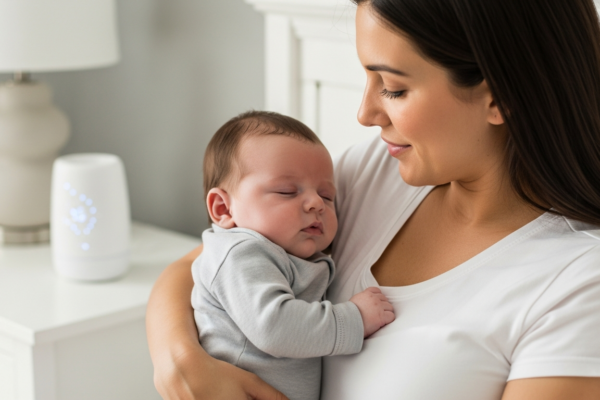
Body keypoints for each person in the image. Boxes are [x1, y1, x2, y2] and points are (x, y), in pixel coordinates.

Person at [146, 0, 600, 398]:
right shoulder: (374, 172)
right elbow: (201, 264)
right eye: (367, 78)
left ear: (497, 96)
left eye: (394, 88)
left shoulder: (579, 285)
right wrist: (179, 359)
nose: (364, 113)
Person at [192, 111, 394, 400]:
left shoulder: (285, 252)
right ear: (224, 209)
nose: (316, 204)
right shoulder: (241, 253)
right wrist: (354, 318)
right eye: (287, 191)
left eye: (326, 195)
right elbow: (273, 327)